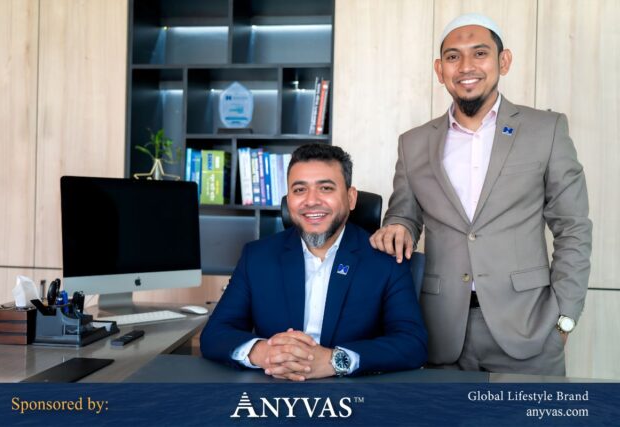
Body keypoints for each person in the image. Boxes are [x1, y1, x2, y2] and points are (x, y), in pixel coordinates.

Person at [370, 13, 592, 375]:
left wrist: (565, 317)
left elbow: (574, 227)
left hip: (529, 329)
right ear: (440, 69)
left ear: (503, 61)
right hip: (439, 331)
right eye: (454, 57)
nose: (466, 66)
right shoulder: (413, 143)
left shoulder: (546, 130)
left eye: (480, 53)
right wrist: (398, 225)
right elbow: (404, 213)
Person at [201, 144, 427, 380]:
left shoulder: (385, 260)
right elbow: (215, 334)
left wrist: (334, 360)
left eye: (326, 188)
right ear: (288, 200)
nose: (311, 201)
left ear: (351, 198)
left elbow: (412, 344)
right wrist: (263, 353)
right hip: (272, 393)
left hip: (354, 398)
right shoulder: (257, 257)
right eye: (299, 190)